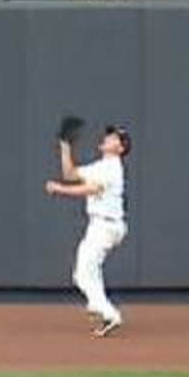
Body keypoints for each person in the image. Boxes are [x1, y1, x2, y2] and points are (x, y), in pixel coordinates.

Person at [45, 123, 130, 336]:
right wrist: (65, 147)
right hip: (102, 225)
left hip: (106, 225)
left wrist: (59, 189)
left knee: (83, 274)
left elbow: (91, 188)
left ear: (120, 148)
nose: (108, 138)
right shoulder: (101, 166)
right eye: (109, 135)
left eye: (114, 138)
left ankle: (108, 313)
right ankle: (101, 310)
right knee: (87, 272)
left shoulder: (112, 168)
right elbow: (71, 173)